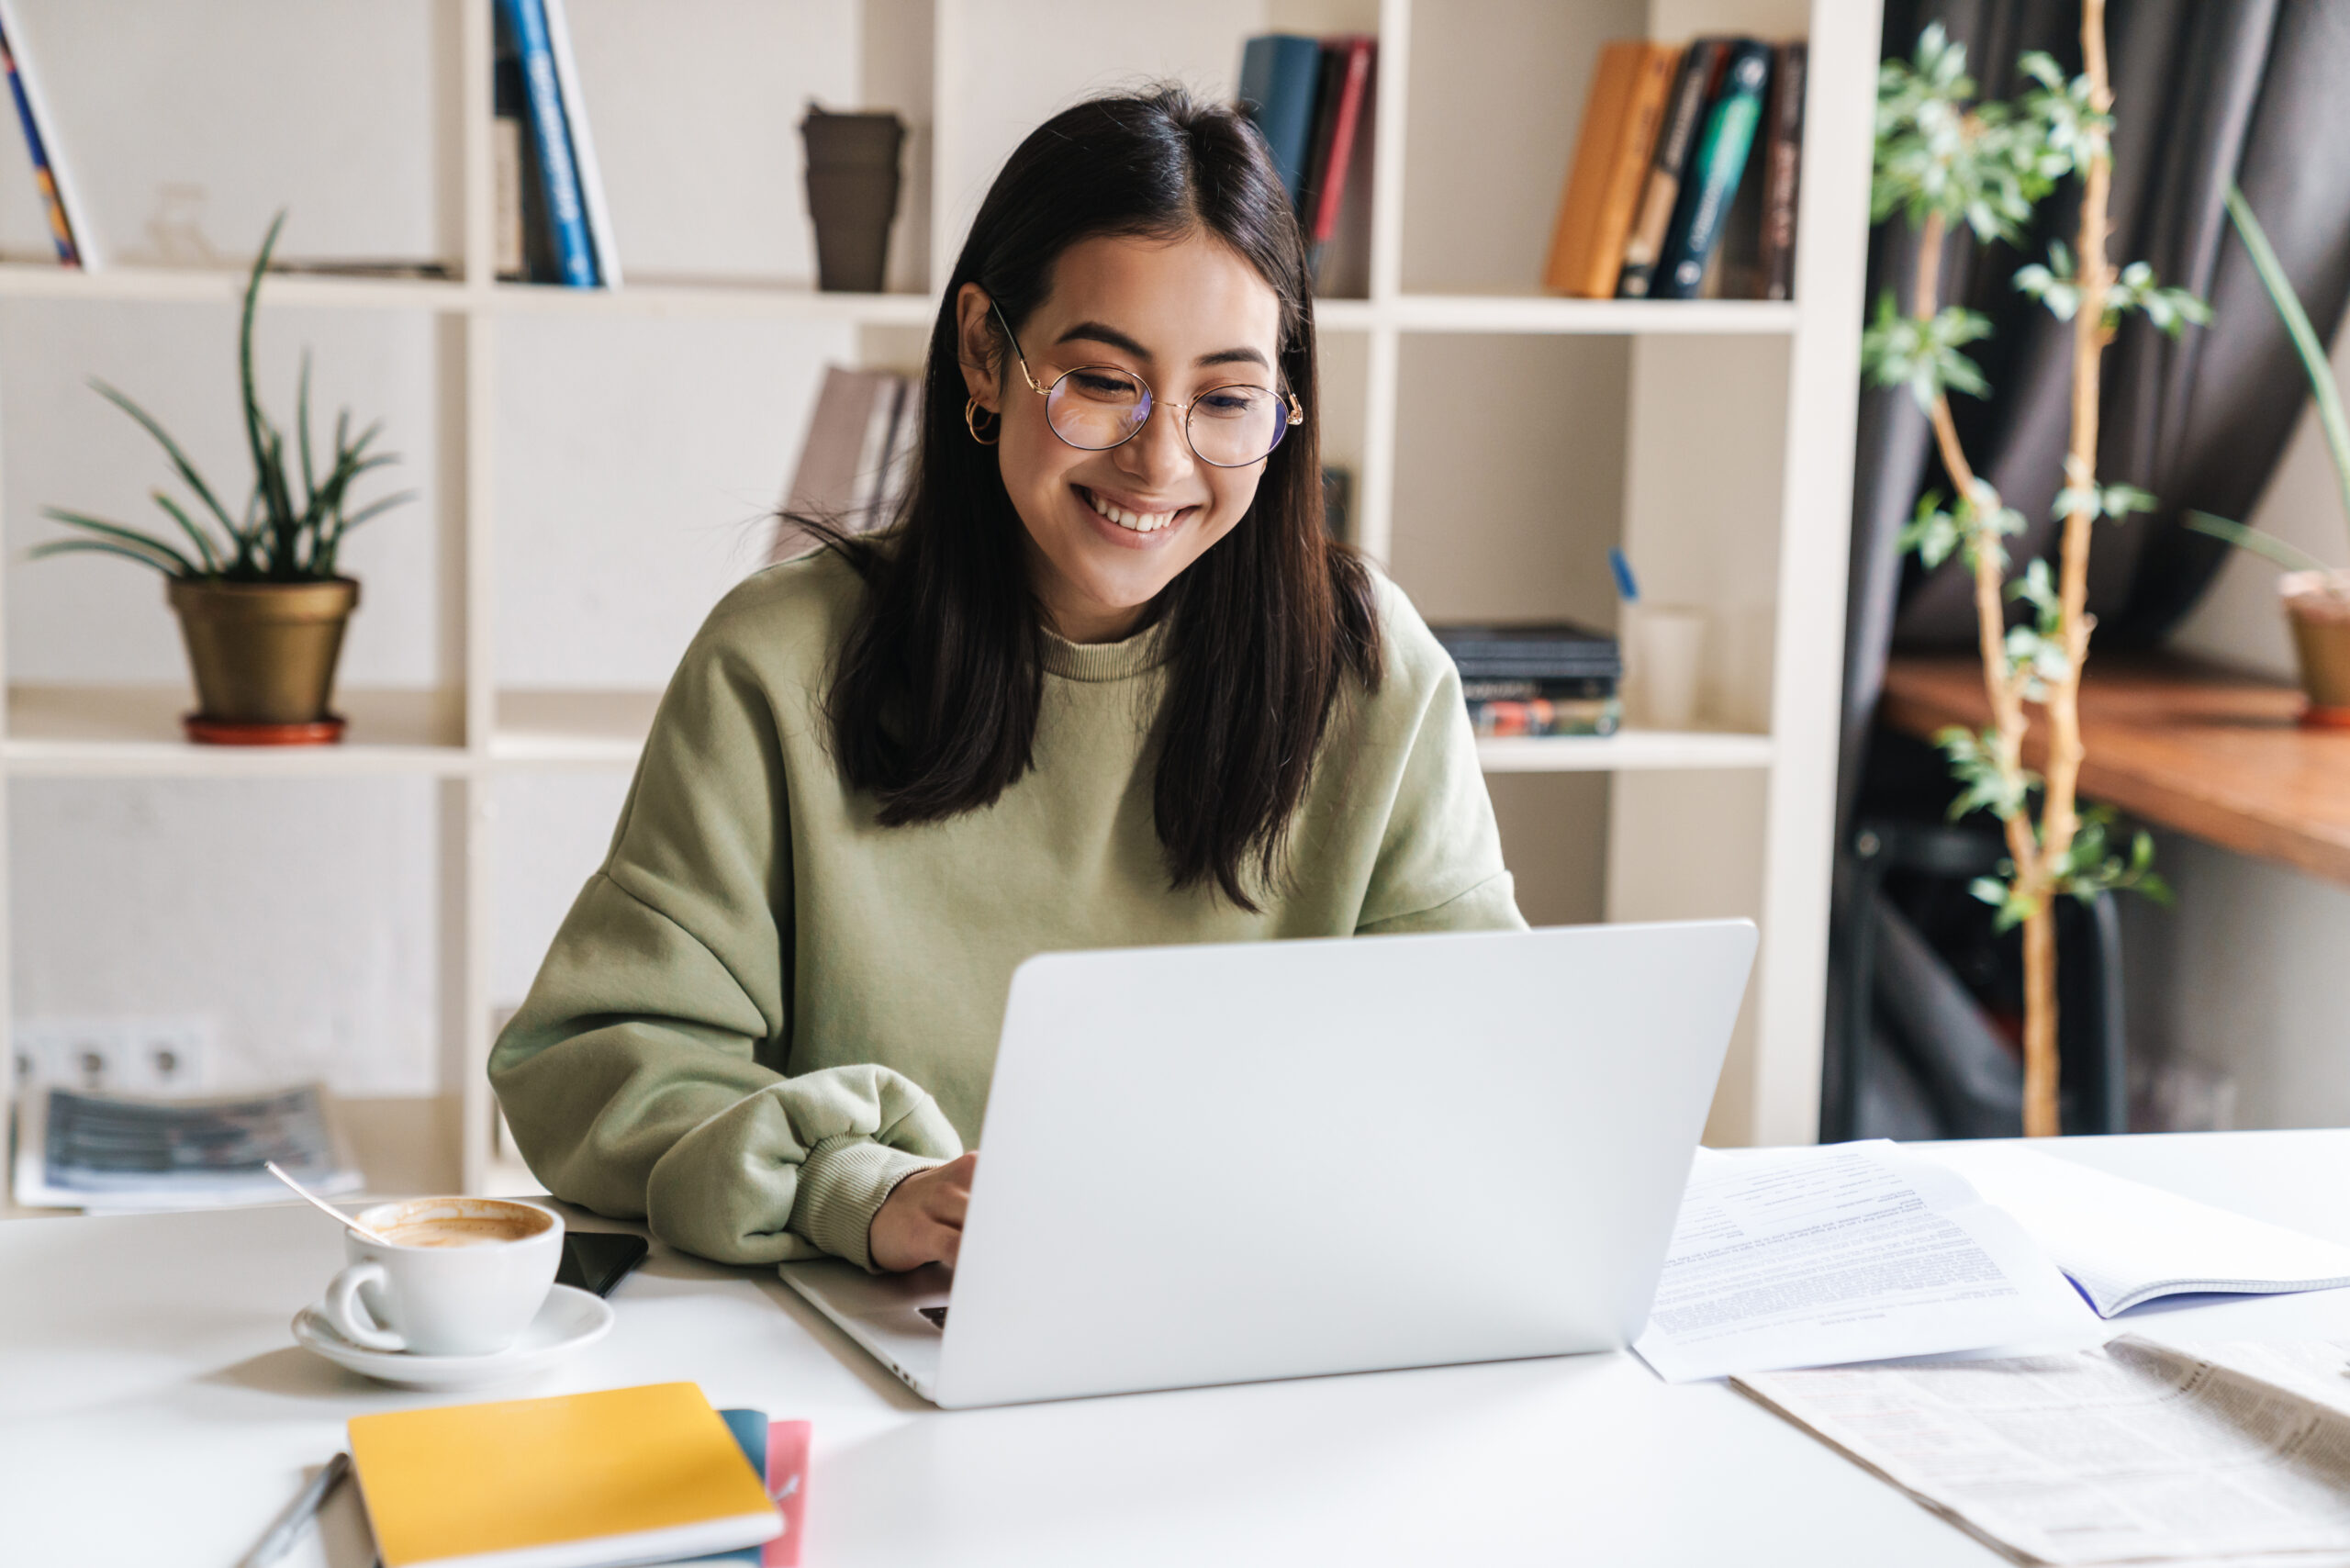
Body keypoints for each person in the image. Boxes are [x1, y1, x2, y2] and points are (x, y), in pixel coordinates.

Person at [491, 87, 1525, 1275]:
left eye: (1227, 399)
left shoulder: (1372, 674)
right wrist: (853, 1185)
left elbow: (1477, 1067)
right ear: (986, 353)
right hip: (880, 1327)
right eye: (1100, 379)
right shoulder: (779, 664)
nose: (1160, 458)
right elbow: (597, 1059)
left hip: (1257, 1317)